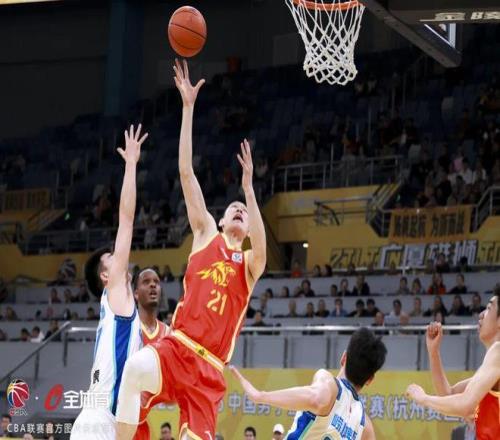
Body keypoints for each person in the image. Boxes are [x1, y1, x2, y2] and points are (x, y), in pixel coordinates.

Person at [116, 60, 267, 440]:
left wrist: (249, 190)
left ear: (249, 227)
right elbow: (186, 172)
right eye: (234, 207)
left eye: (245, 212)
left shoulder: (250, 264)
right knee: (132, 372)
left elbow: (263, 250)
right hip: (177, 347)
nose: (239, 210)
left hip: (209, 370)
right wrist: (187, 108)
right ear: (221, 221)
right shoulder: (205, 234)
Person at [70, 125, 148, 440]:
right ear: (106, 275)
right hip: (99, 419)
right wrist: (131, 165)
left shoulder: (123, 305)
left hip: (109, 420)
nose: (119, 256)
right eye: (111, 257)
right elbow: (126, 220)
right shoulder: (115, 291)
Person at [231, 328, 386, 439]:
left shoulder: (330, 385)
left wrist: (261, 396)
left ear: (343, 357)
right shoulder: (366, 428)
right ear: (370, 379)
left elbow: (316, 399)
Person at [406, 288, 500, 440]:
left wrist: (423, 398)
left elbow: (465, 405)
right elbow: (448, 394)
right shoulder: (492, 367)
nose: (481, 314)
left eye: (489, 308)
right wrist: (433, 352)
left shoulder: (498, 351)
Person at [133, 268, 170, 440]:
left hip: (144, 424)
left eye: (156, 282)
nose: (153, 285)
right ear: (135, 294)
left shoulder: (169, 334)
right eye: (146, 282)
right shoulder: (126, 328)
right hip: (118, 418)